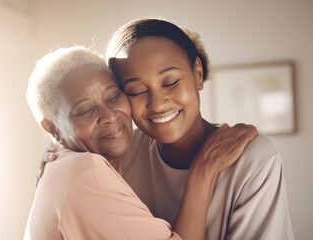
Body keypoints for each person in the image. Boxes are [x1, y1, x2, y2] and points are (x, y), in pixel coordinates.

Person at [24, 46, 257, 239]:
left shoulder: (67, 164)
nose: (110, 116)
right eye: (86, 110)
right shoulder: (86, 172)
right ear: (53, 129)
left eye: (114, 96)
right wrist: (204, 167)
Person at [106, 18, 294, 239]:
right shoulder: (119, 156)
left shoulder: (253, 158)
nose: (157, 104)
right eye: (136, 91)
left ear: (197, 74)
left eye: (170, 82)